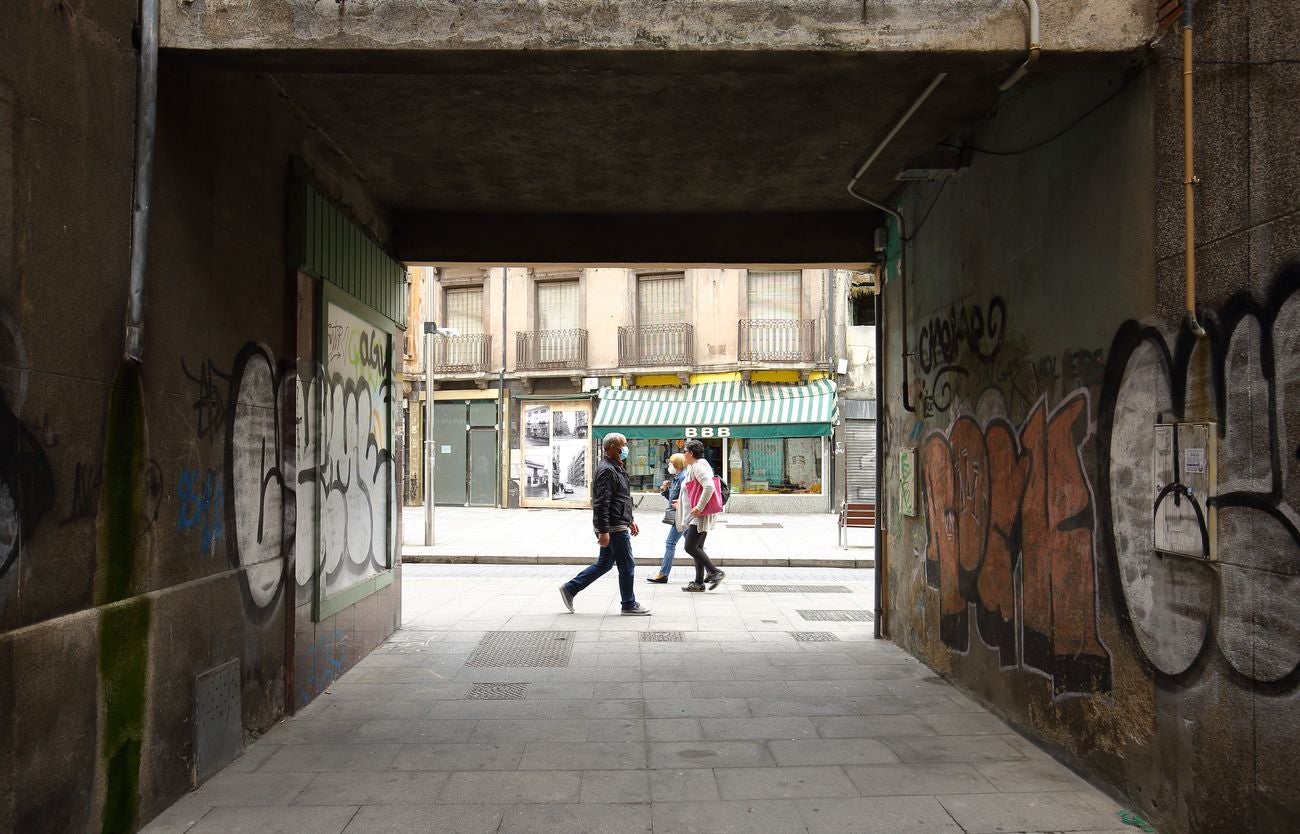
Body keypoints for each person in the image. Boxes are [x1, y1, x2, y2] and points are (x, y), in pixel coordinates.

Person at [559, 432, 651, 615]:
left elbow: (621, 498)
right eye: (622, 445)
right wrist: (603, 531)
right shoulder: (607, 470)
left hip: (618, 522)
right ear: (611, 448)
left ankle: (570, 588)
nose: (626, 448)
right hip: (613, 527)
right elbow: (602, 502)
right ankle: (629, 604)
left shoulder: (616, 467)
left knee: (605, 564)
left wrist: (630, 519)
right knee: (627, 564)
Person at [678, 438, 725, 592]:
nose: (683, 454)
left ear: (691, 453)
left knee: (690, 546)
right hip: (698, 513)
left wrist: (698, 507)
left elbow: (709, 486)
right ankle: (699, 582)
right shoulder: (697, 466)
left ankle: (714, 571)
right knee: (697, 547)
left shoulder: (698, 467)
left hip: (700, 514)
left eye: (685, 451)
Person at [646, 452, 688, 583]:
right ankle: (710, 570)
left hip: (681, 516)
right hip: (679, 516)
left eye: (671, 463)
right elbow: (673, 499)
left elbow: (689, 497)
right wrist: (665, 489)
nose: (669, 465)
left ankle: (663, 574)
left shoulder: (683, 478)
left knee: (671, 543)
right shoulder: (676, 478)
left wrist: (681, 505)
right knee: (694, 546)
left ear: (677, 464)